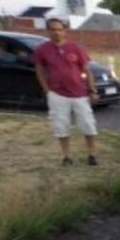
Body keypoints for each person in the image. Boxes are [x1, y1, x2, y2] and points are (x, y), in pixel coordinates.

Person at [32, 18, 100, 166]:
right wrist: (47, 90)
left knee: (88, 124)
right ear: (48, 31)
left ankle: (91, 154)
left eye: (59, 29)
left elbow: (87, 71)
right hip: (57, 94)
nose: (56, 32)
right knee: (61, 126)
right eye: (53, 29)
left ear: (64, 31)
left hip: (79, 94)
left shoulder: (76, 48)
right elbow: (39, 71)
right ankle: (66, 156)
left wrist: (92, 90)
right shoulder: (42, 50)